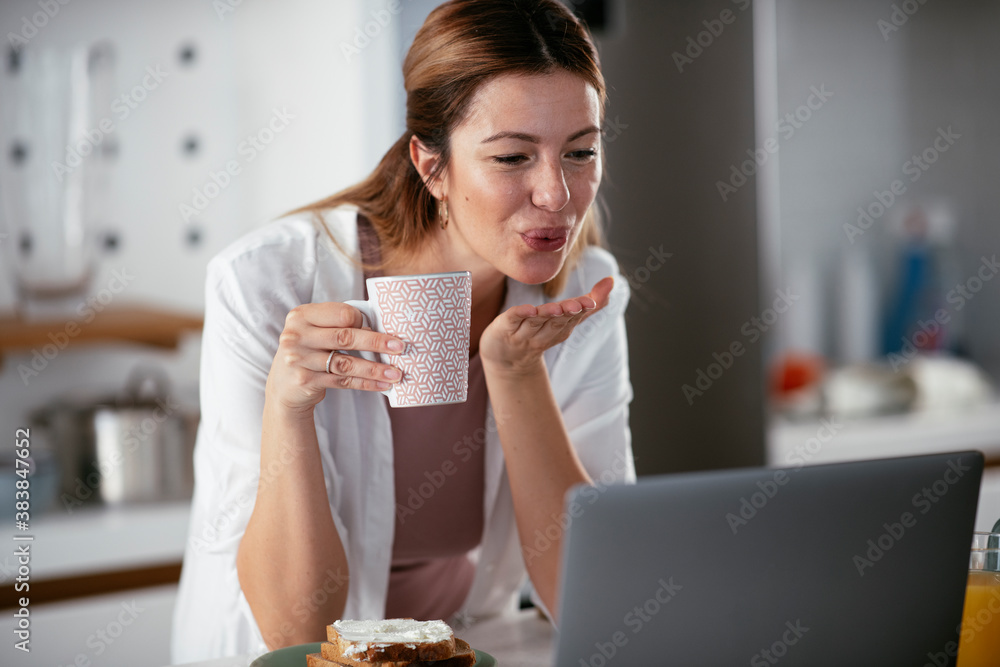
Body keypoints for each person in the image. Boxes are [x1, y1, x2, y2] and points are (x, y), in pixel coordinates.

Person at [171, 0, 634, 661]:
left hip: (466, 646)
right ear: (430, 163)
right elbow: (294, 628)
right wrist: (289, 405)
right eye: (511, 157)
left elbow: (593, 596)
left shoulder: (581, 291)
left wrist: (514, 372)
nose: (557, 194)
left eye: (581, 150)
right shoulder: (267, 282)